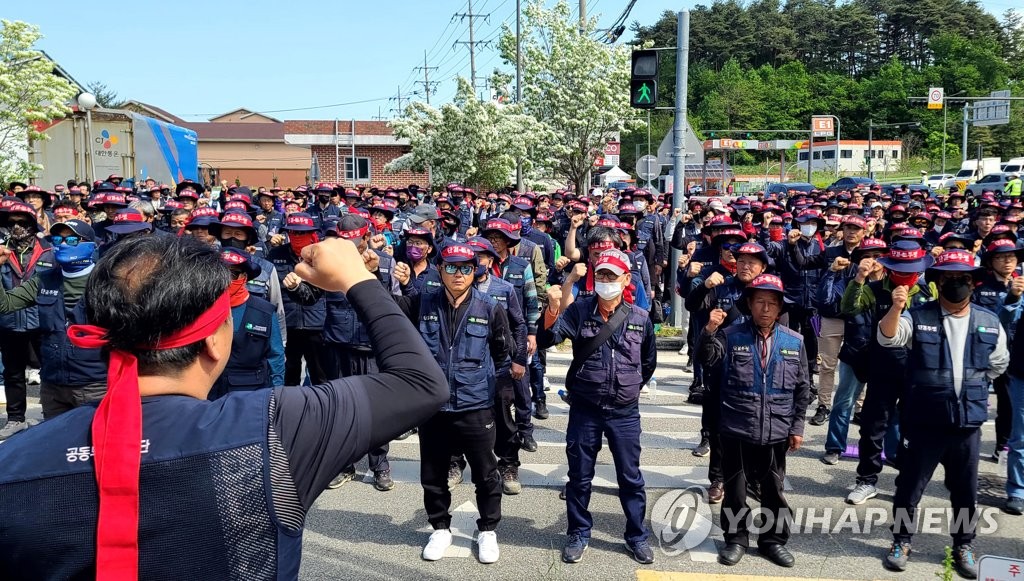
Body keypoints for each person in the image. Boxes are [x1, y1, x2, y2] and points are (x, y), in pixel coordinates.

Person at [0, 235, 448, 578]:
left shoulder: (13, 460)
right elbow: (421, 383)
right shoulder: (273, 429)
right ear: (215, 341)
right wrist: (357, 278)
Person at [880, 249, 1009, 579]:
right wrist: (896, 307)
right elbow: (889, 337)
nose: (956, 285)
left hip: (967, 424)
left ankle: (964, 544)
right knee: (910, 487)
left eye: (963, 279)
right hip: (924, 420)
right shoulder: (918, 315)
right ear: (937, 281)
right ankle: (901, 541)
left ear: (973, 283)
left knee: (965, 491)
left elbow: (998, 363)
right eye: (948, 279)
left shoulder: (988, 322)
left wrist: (970, 385)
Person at [537, 249, 657, 566]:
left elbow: (648, 363)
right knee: (579, 476)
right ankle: (578, 532)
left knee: (630, 478)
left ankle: (636, 535)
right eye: (601, 275)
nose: (606, 281)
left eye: (612, 276)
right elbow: (548, 338)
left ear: (626, 280)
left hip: (624, 413)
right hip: (585, 409)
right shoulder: (578, 311)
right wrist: (552, 308)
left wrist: (628, 387)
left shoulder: (640, 318)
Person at [395, 243, 512, 565]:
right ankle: (440, 527)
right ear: (439, 270)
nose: (458, 274)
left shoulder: (489, 307)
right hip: (434, 405)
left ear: (475, 271)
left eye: (465, 268)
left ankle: (488, 529)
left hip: (476, 405)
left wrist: (493, 396)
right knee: (432, 473)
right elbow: (387, 312)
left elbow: (504, 355)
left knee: (486, 472)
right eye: (451, 267)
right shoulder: (422, 303)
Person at [699, 273, 810, 568]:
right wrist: (709, 331)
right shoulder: (730, 334)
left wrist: (797, 427)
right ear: (749, 304)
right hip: (736, 427)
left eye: (772, 303)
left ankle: (773, 541)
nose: (765, 308)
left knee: (774, 490)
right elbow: (707, 361)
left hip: (777, 429)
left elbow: (802, 389)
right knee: (735, 490)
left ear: (780, 308)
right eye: (759, 301)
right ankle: (735, 539)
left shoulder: (794, 341)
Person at [840, 240, 935, 505]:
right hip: (881, 366)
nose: (906, 274)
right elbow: (848, 309)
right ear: (890, 267)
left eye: (912, 268)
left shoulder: (929, 291)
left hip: (918, 370)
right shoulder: (874, 289)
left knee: (913, 427)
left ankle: (906, 479)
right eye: (900, 268)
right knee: (873, 425)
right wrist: (859, 277)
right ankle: (866, 480)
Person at [0, 219, 107, 418]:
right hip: (53, 387)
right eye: (58, 239)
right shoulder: (44, 279)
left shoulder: (107, 281)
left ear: (90, 246)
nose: (63, 244)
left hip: (96, 385)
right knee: (56, 446)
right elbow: (5, 304)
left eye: (72, 240)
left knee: (92, 446)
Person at [0, 203, 53, 439]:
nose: (16, 227)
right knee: (13, 373)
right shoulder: (1, 251)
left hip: (42, 321)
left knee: (50, 371)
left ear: (33, 225)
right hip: (10, 321)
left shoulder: (48, 251)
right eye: (11, 223)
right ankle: (15, 419)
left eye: (22, 223)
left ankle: (51, 415)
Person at [208, 248, 285, 399]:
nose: (226, 280)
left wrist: (276, 396)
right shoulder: (201, 307)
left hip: (251, 395)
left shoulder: (265, 311)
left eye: (233, 274)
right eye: (221, 273)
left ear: (244, 277)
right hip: (209, 393)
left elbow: (276, 356)